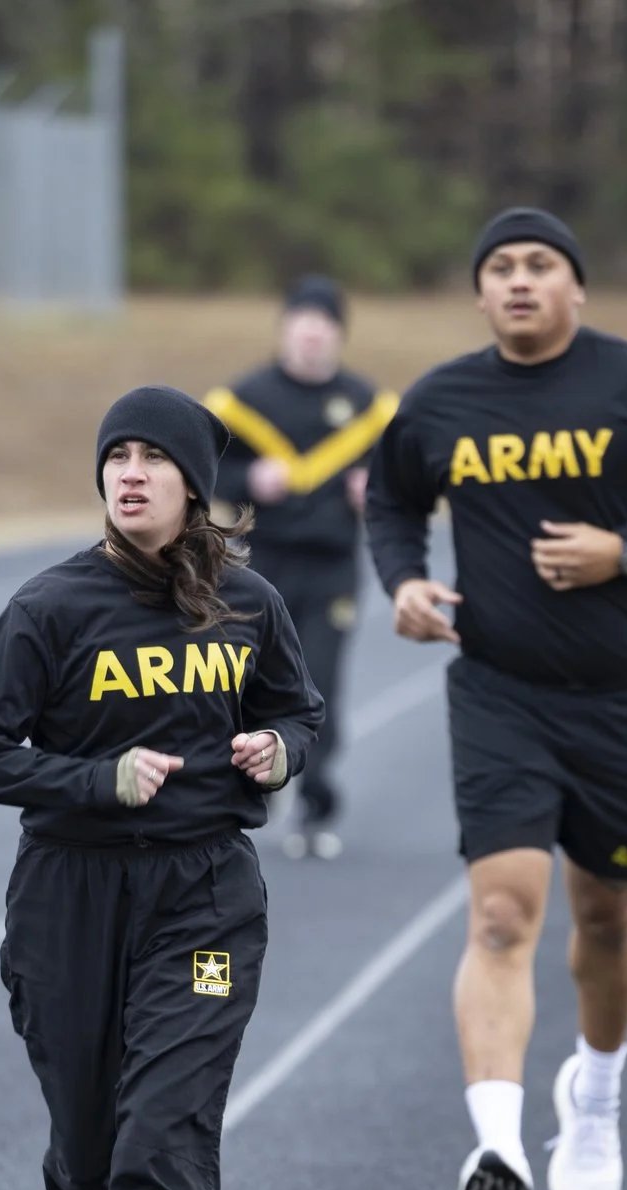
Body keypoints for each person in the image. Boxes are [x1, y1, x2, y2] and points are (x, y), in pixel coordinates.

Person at [0, 387, 322, 1190]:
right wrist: (95, 778)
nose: (132, 471)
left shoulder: (248, 603)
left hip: (202, 892)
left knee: (166, 1121)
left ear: (194, 482)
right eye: (118, 455)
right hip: (70, 889)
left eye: (155, 456)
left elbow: (296, 710)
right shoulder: (50, 609)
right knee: (88, 1138)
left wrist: (278, 751)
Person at [366, 208, 627, 1190]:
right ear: (480, 291)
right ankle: (497, 1143)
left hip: (621, 697)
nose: (519, 281)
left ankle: (595, 1096)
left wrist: (624, 550)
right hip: (497, 691)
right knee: (500, 914)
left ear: (576, 287)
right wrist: (404, 582)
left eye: (540, 264)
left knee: (606, 913)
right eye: (499, 267)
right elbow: (390, 501)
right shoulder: (441, 399)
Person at [204, 274, 397, 860]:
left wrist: (376, 489)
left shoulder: (368, 405)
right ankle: (258, 781)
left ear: (339, 336)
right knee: (243, 682)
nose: (313, 337)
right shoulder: (243, 401)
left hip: (331, 567)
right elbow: (205, 474)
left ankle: (316, 803)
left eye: (325, 327)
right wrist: (249, 482)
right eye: (302, 325)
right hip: (257, 567)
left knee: (319, 684)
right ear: (285, 329)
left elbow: (402, 478)